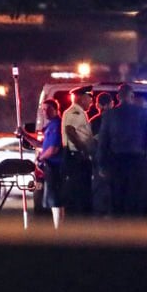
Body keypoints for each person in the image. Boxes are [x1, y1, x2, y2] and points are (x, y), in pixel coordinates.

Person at [96, 83, 147, 217]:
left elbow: (103, 141)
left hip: (116, 162)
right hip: (137, 162)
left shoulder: (109, 115)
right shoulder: (143, 113)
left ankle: (119, 231)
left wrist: (101, 164)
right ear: (132, 96)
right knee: (135, 198)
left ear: (118, 97)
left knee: (117, 199)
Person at [17, 99, 64, 228]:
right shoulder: (49, 126)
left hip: (55, 167)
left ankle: (59, 231)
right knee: (53, 202)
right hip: (49, 168)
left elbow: (53, 149)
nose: (45, 112)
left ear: (56, 109)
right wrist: (25, 135)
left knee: (56, 201)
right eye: (43, 109)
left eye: (48, 109)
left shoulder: (57, 125)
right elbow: (42, 145)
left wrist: (40, 158)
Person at [61, 85, 95, 216]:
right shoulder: (76, 112)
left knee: (81, 193)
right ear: (81, 98)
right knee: (79, 194)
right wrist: (84, 150)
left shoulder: (79, 112)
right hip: (76, 158)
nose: (91, 103)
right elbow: (70, 131)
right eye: (89, 99)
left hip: (77, 157)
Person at [88, 92, 115, 217]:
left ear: (97, 105)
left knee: (98, 193)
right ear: (112, 104)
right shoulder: (117, 120)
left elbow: (89, 142)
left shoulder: (93, 122)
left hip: (98, 161)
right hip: (115, 161)